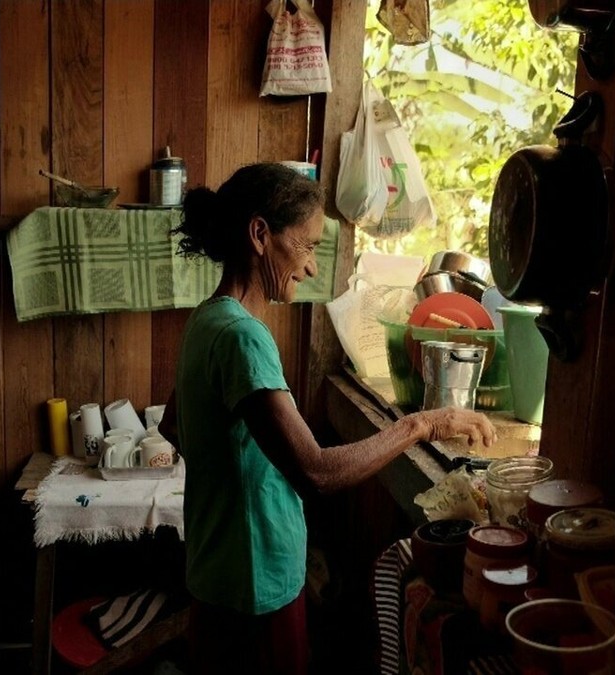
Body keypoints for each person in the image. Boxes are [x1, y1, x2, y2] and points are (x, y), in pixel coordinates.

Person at [156, 163, 496, 675]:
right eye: (308, 245)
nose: (312, 267)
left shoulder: (207, 319)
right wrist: (420, 425)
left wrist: (235, 475)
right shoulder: (243, 338)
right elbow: (317, 472)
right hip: (255, 586)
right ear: (260, 234)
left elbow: (173, 425)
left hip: (214, 573)